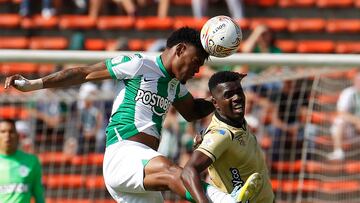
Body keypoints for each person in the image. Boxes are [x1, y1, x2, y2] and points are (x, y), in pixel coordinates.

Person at [5, 27, 247, 203]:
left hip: (140, 170)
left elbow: (193, 111)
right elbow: (83, 73)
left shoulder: (175, 85)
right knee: (175, 171)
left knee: (172, 171)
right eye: (195, 62)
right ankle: (226, 201)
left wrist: (222, 97)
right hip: (123, 155)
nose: (197, 70)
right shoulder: (139, 63)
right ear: (180, 50)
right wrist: (32, 84)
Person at [181, 71, 275, 203]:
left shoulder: (236, 120)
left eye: (239, 91)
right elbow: (188, 171)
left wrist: (232, 81)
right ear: (215, 103)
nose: (237, 97)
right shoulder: (222, 134)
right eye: (228, 95)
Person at [0, 119, 45, 203]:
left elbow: (38, 195)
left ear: (17, 136)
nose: (7, 135)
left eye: (11, 132)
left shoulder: (32, 161)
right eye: (3, 132)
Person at [328, 72, 360, 160]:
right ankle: (338, 152)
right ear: (354, 81)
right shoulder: (348, 93)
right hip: (350, 130)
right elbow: (341, 113)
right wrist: (356, 121)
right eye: (358, 81)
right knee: (338, 121)